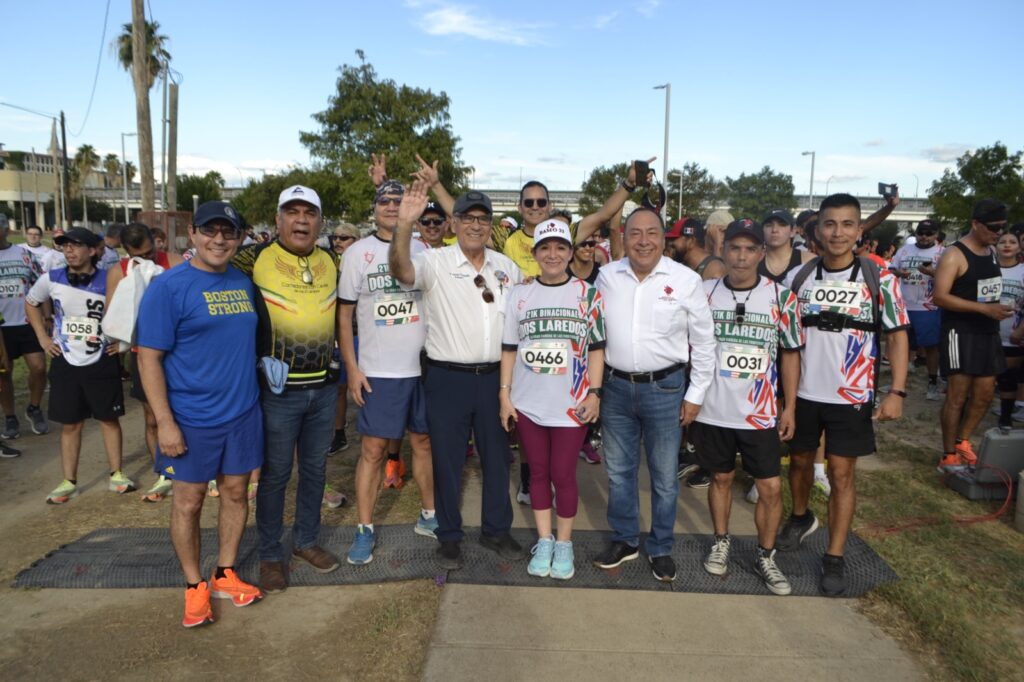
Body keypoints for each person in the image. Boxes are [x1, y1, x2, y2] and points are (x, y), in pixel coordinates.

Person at [137, 201, 264, 628]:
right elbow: (149, 358)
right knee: (188, 503)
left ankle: (225, 572)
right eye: (210, 231)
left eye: (228, 232)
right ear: (192, 234)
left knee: (234, 494)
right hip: (191, 417)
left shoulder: (243, 284)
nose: (219, 239)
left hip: (242, 413)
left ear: (240, 237)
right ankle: (194, 585)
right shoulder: (168, 287)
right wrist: (166, 421)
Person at [776, 193, 909, 597]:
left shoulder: (879, 279)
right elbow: (784, 343)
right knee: (798, 463)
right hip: (802, 394)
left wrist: (897, 391)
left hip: (851, 395)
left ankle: (834, 555)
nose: (837, 233)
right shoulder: (796, 279)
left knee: (841, 473)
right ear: (816, 230)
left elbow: (898, 335)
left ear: (859, 231)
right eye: (829, 224)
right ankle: (800, 517)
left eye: (847, 224)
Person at [389, 183, 525, 570]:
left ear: (491, 225)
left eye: (483, 219)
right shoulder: (435, 262)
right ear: (454, 223)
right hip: (448, 378)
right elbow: (401, 269)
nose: (476, 226)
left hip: (495, 379)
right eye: (468, 218)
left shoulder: (506, 267)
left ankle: (496, 530)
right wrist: (404, 225)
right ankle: (449, 536)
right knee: (447, 460)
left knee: (497, 458)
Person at [591, 207, 716, 582]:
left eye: (652, 233)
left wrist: (695, 394)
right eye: (635, 234)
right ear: (623, 237)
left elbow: (705, 342)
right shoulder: (607, 277)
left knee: (663, 476)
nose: (643, 241)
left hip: (665, 389)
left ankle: (660, 546)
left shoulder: (685, 280)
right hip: (615, 387)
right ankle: (626, 539)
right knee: (619, 472)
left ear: (664, 239)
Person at [232, 185, 342, 592]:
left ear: (319, 221)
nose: (301, 220)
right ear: (278, 220)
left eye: (309, 213)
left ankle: (307, 541)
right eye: (292, 212)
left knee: (315, 470)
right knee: (277, 475)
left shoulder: (331, 259)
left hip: (324, 388)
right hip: (279, 393)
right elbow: (205, 268)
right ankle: (269, 553)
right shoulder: (252, 258)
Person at [692, 219, 802, 595]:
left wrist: (789, 407)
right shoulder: (703, 292)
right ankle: (721, 540)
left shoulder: (782, 297)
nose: (741, 256)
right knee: (720, 478)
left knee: (770, 487)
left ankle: (766, 555)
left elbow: (790, 354)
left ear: (761, 253)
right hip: (712, 409)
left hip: (760, 412)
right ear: (723, 251)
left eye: (749, 249)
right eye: (734, 248)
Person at [499, 219, 606, 580]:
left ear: (570, 252)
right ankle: (544, 539)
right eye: (545, 248)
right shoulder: (520, 294)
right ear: (535, 254)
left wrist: (595, 392)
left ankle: (564, 543)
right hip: (529, 402)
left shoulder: (587, 294)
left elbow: (597, 349)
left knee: (563, 473)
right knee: (538, 473)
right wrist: (505, 394)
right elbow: (510, 349)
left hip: (571, 403)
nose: (553, 254)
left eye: (560, 247)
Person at [338, 180, 437, 566]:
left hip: (423, 367)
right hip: (379, 370)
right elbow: (344, 316)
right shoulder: (357, 254)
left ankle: (429, 515)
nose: (393, 206)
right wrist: (352, 367)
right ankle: (364, 528)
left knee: (423, 443)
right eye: (385, 200)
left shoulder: (423, 249)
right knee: (374, 450)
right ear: (374, 207)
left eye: (400, 201)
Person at [25, 227, 133, 503]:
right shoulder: (51, 278)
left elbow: (130, 309)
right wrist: (42, 337)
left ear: (93, 250)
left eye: (76, 245)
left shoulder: (109, 280)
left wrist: (123, 342)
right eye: (65, 246)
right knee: (71, 423)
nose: (69, 250)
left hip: (102, 358)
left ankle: (116, 475)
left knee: (109, 419)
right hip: (66, 359)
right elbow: (31, 303)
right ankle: (68, 481)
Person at [105, 222, 185, 502]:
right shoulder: (119, 271)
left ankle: (198, 470)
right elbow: (112, 314)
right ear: (126, 251)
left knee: (187, 413)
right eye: (141, 255)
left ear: (156, 240)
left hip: (177, 352)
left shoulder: (174, 262)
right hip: (143, 354)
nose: (149, 259)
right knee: (153, 417)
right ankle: (165, 472)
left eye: (152, 252)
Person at [933, 199, 1013, 469]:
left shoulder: (991, 251)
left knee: (985, 393)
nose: (999, 233)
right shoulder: (954, 254)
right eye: (993, 228)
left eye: (1003, 227)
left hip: (987, 332)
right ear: (975, 224)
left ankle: (963, 441)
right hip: (960, 331)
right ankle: (948, 454)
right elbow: (940, 297)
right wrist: (983, 309)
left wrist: (995, 309)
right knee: (957, 395)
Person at [664, 216, 723, 489]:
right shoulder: (687, 268)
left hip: (708, 355)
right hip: (687, 355)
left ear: (689, 239)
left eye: (674, 238)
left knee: (704, 413)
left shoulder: (712, 269)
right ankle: (695, 458)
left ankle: (709, 467)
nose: (670, 244)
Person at [0, 213, 47, 439]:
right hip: (2, 328)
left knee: (39, 368)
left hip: (27, 321)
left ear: (6, 230)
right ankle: (10, 417)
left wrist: (47, 317)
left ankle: (34, 407)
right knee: (3, 373)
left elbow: (42, 284)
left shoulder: (24, 254)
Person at [890, 220, 944, 400]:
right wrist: (899, 273)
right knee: (902, 345)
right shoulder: (905, 250)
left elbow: (950, 278)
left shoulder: (942, 253)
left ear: (936, 235)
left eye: (929, 233)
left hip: (928, 306)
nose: (924, 236)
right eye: (921, 232)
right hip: (904, 305)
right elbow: (891, 269)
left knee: (930, 346)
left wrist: (931, 273)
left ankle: (932, 382)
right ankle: (898, 384)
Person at [328, 222, 359, 455]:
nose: (338, 241)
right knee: (339, 388)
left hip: (361, 334)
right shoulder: (328, 265)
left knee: (362, 386)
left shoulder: (362, 263)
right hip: (335, 335)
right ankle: (339, 433)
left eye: (344, 238)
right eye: (335, 237)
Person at [995, 230, 1023, 432]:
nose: (1007, 245)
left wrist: (1020, 331)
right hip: (986, 333)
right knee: (984, 380)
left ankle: (1005, 417)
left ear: (1019, 247)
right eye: (1002, 241)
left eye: (1012, 242)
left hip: (1012, 335)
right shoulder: (988, 269)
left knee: (1008, 378)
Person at [759, 209, 814, 283]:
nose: (774, 230)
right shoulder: (752, 260)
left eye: (782, 225)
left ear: (793, 231)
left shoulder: (809, 261)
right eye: (769, 225)